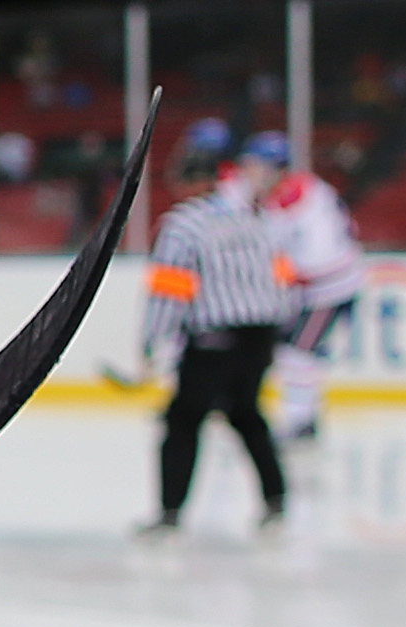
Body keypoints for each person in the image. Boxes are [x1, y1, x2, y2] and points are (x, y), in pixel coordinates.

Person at [138, 124, 289, 537]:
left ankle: (169, 513)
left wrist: (149, 345)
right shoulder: (253, 216)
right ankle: (277, 501)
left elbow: (169, 294)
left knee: (184, 422)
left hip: (213, 339)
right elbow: (280, 278)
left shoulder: (183, 224)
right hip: (260, 334)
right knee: (246, 414)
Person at [249, 126, 362, 446]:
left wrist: (287, 275)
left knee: (297, 353)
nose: (252, 173)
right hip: (313, 290)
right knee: (292, 352)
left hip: (331, 289)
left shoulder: (309, 197)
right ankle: (304, 418)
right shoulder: (277, 200)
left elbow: (321, 258)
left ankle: (301, 422)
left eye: (258, 166)